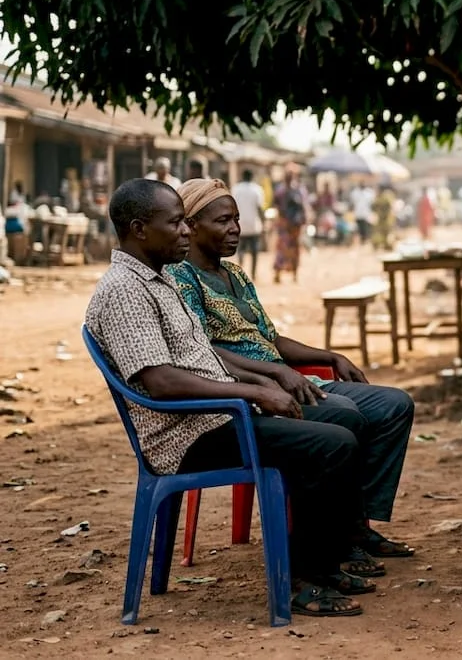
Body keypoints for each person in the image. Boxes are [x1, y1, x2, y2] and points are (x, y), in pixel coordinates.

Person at [85, 178, 368, 617]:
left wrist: (266, 381)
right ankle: (302, 579)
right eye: (175, 222)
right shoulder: (124, 290)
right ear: (140, 229)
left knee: (342, 422)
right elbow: (161, 381)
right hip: (186, 435)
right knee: (330, 444)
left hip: (218, 417)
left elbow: (207, 358)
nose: (185, 231)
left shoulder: (157, 281)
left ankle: (328, 563)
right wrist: (252, 391)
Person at [170, 177, 417, 577]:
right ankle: (337, 539)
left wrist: (329, 356)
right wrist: (275, 374)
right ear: (192, 225)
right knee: (345, 414)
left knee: (393, 405)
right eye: (223, 221)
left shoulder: (237, 275)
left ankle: (357, 526)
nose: (235, 228)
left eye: (236, 219)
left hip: (290, 380)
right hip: (252, 391)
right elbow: (203, 351)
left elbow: (271, 338)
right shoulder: (182, 279)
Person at [273, 168, 307, 283]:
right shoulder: (297, 190)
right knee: (289, 249)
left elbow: (277, 206)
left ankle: (291, 274)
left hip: (289, 225)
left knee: (288, 249)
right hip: (290, 225)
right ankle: (288, 275)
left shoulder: (284, 190)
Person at [232, 170, 265, 278]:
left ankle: (241, 270)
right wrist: (264, 221)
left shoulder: (236, 189)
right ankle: (253, 273)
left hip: (240, 224)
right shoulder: (257, 189)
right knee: (254, 251)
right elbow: (260, 208)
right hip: (253, 225)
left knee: (241, 249)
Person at [371, 183, 396, 251]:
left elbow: (389, 206)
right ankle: (382, 245)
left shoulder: (384, 197)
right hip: (382, 218)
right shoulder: (380, 197)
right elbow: (374, 206)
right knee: (381, 232)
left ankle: (386, 245)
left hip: (385, 218)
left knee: (385, 232)